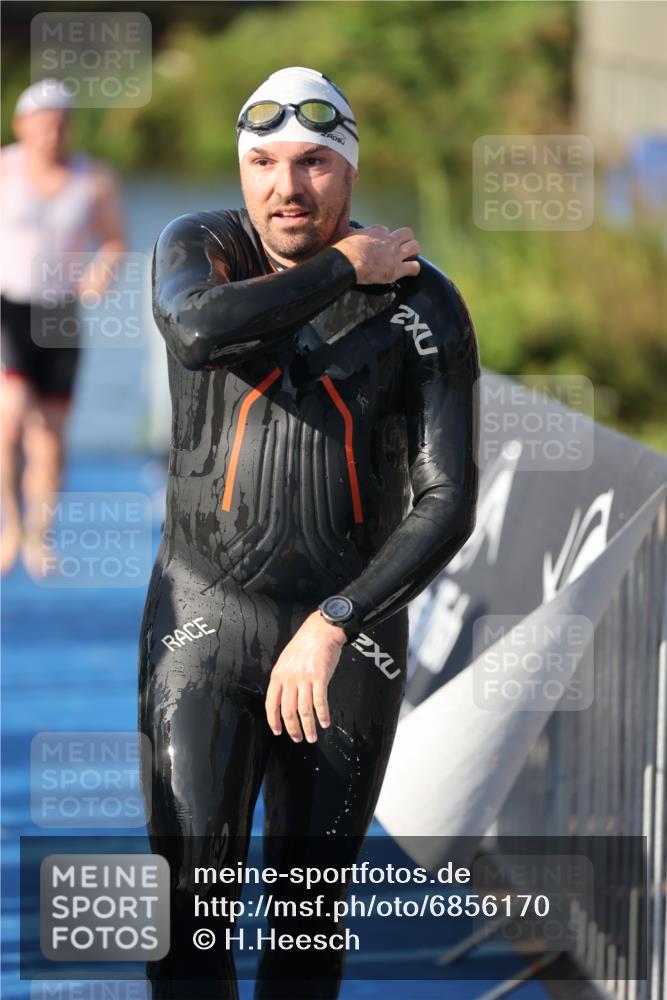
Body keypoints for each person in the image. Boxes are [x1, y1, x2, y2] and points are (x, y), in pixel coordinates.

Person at [138, 66, 479, 999]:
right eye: (264, 162)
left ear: (351, 172)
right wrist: (341, 268)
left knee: (304, 933)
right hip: (202, 625)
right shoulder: (201, 247)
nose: (287, 187)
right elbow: (199, 334)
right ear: (241, 172)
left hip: (347, 640)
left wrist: (335, 621)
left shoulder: (423, 304)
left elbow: (447, 502)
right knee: (190, 933)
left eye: (314, 163)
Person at [0, 79, 125, 575]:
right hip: (9, 305)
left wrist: (101, 271)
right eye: (43, 122)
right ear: (21, 125)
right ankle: (9, 525)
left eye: (60, 123)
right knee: (10, 417)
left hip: (60, 314)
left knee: (50, 434)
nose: (52, 132)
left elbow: (115, 239)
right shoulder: (4, 169)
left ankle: (39, 536)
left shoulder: (92, 178)